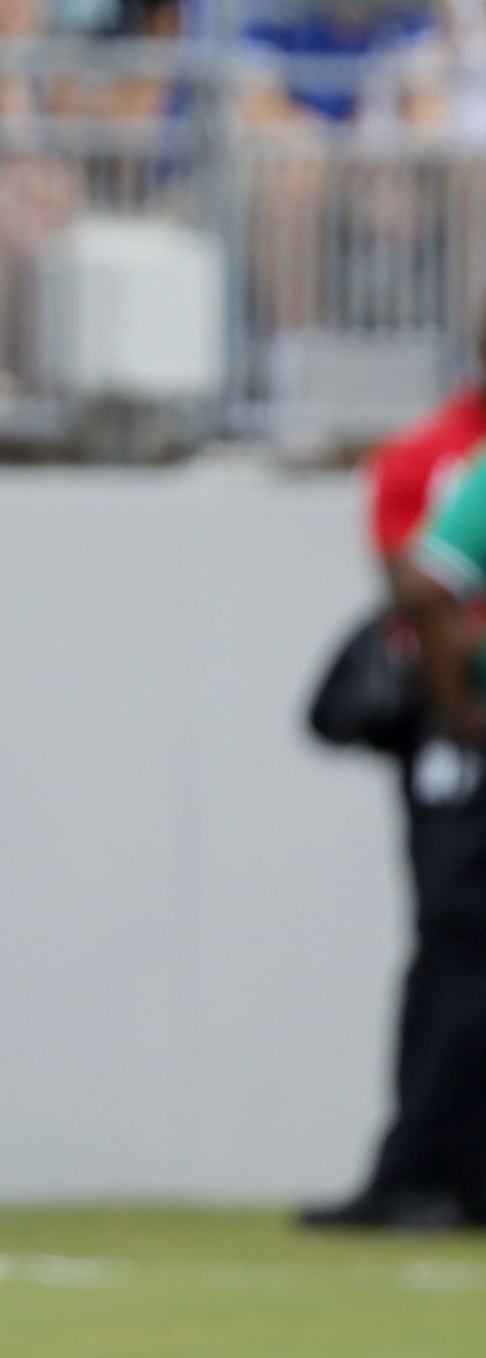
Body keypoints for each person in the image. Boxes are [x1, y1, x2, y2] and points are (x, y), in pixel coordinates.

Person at [302, 321, 486, 1229]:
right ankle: (423, 1165)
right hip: (457, 747)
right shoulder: (433, 457)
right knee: (456, 948)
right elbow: (416, 590)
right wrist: (459, 716)